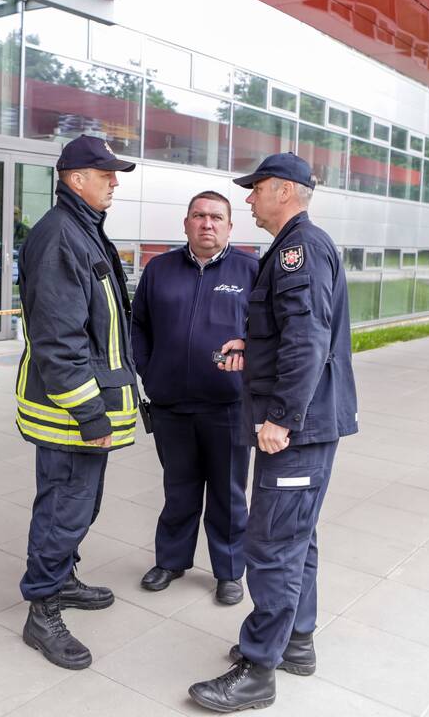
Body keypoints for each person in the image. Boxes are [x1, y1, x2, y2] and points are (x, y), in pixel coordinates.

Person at [188, 153, 358, 712]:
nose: (248, 198)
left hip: (297, 429)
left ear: (284, 190)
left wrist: (280, 418)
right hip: (310, 424)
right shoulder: (298, 247)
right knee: (296, 538)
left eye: (255, 188)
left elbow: (308, 343)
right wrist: (251, 347)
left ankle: (259, 670)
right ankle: (297, 641)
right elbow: (292, 334)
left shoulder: (296, 250)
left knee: (272, 547)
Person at [15, 135, 139, 670]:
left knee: (78, 505)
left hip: (86, 410)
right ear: (74, 178)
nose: (114, 181)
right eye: (105, 172)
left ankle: (61, 579)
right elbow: (58, 340)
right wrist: (91, 414)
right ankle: (42, 611)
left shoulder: (81, 229)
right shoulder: (61, 236)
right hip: (72, 413)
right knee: (64, 509)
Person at [131, 190, 257, 606]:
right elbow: (139, 327)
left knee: (228, 494)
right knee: (179, 490)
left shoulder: (251, 270)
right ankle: (171, 561)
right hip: (171, 407)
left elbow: (266, 335)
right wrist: (150, 373)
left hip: (229, 407)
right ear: (186, 223)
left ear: (229, 226)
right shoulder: (159, 269)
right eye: (199, 216)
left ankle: (228, 571)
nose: (207, 224)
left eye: (216, 217)